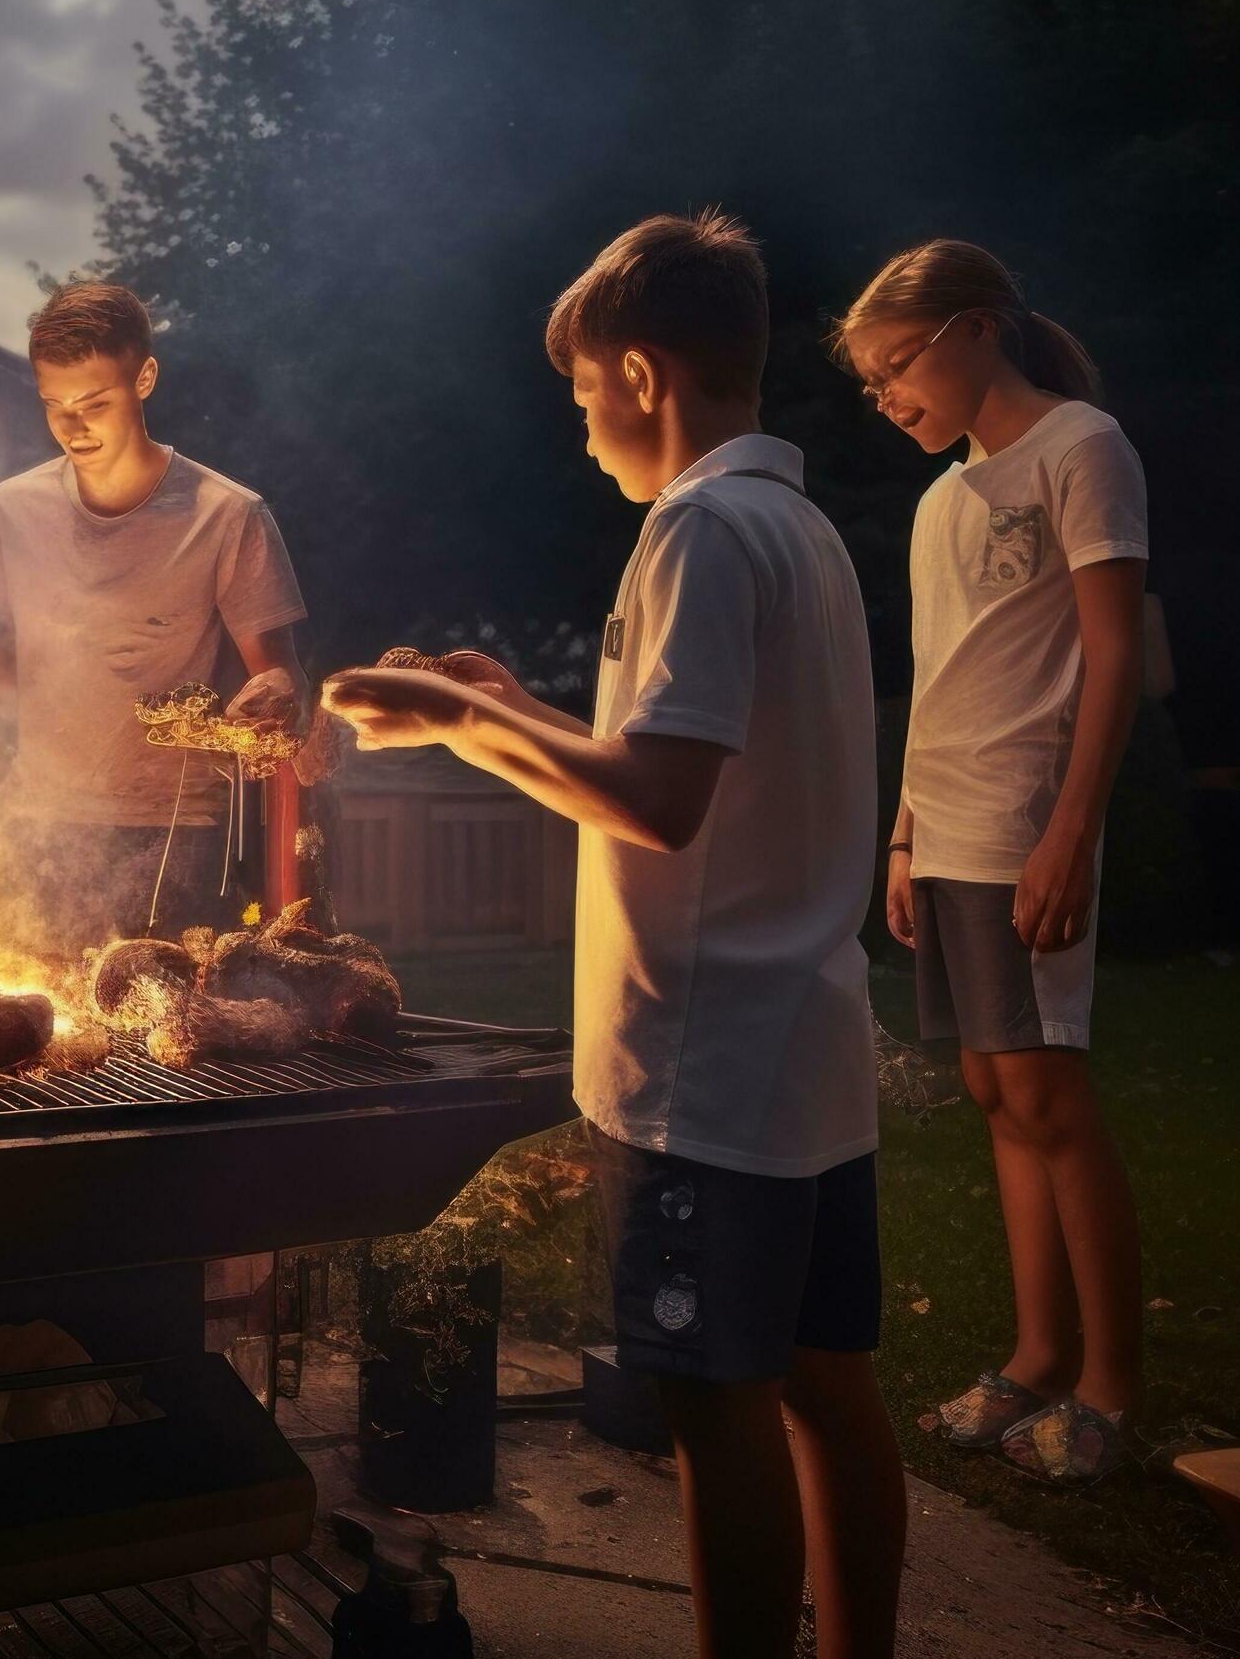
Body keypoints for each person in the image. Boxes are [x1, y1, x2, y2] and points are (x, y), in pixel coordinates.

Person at [323, 213, 905, 1658]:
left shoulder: (700, 527)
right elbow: (677, 762)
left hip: (705, 1072)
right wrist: (508, 710)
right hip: (809, 1050)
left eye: (583, 391)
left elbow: (656, 803)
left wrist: (461, 719)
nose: (581, 426)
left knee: (718, 1418)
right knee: (833, 1394)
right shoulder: (802, 527)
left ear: (640, 372)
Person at [840, 240, 1148, 1490]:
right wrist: (904, 833)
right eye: (868, 384)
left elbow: (1114, 653)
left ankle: (1111, 1385)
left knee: (1052, 1100)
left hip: (1030, 820)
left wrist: (1071, 829)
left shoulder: (1080, 448)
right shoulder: (937, 501)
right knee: (995, 1096)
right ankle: (1032, 1354)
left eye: (894, 367)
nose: (886, 397)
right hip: (951, 826)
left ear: (974, 331)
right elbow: (934, 676)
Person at [0, 282, 306, 951]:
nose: (73, 428)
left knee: (165, 1026)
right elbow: (13, 663)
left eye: (95, 404)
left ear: (144, 377)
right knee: (45, 1029)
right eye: (54, 406)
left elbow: (280, 675)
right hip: (39, 822)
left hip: (176, 832)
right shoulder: (12, 508)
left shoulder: (228, 515)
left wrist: (274, 700)